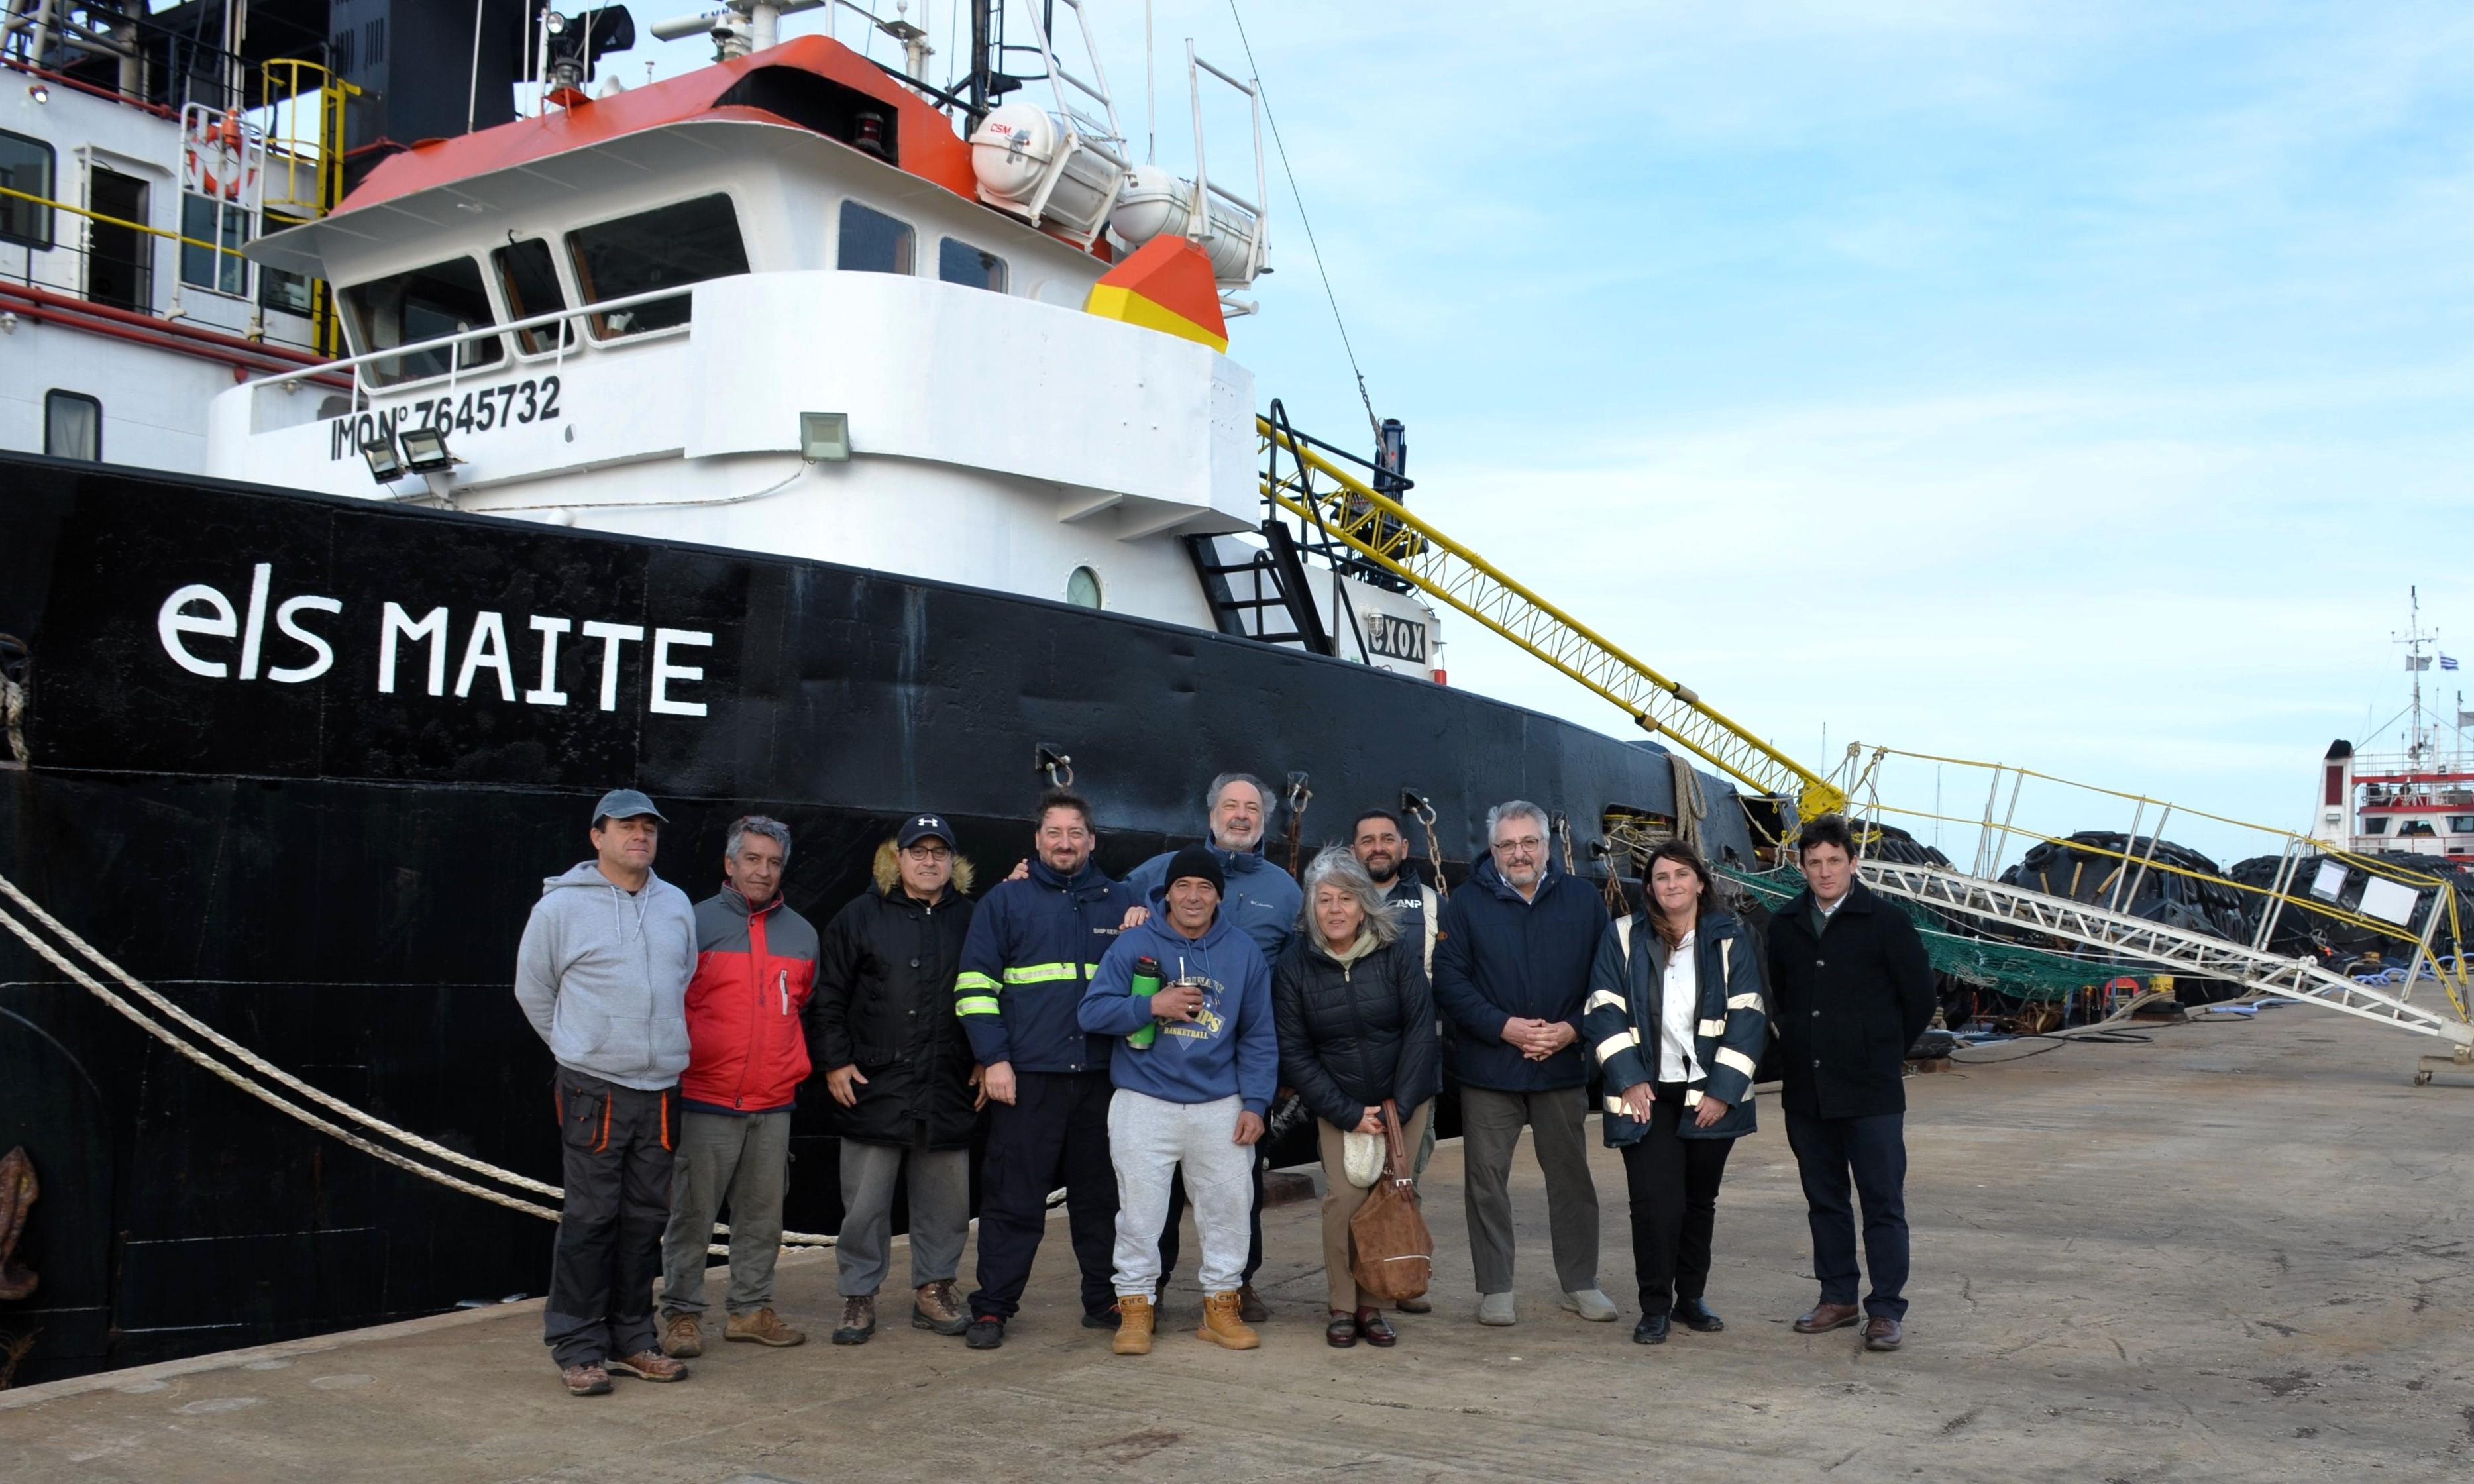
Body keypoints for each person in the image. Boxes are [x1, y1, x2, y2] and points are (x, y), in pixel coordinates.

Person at [513, 788, 698, 1396]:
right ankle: (578, 1345)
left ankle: (633, 1339)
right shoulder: (560, 910)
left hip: (661, 1088)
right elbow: (534, 991)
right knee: (591, 1219)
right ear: (598, 836)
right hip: (597, 1087)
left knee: (646, 1220)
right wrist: (580, 1048)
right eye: (626, 827)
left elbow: (684, 977)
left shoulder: (674, 905)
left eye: (649, 827)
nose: (640, 836)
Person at [1077, 847, 1279, 1355]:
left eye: (1205, 887)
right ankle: (1136, 1309)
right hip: (1145, 1100)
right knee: (1140, 1215)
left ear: (1219, 896)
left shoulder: (1243, 952)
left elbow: (1259, 1035)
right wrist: (1152, 1005)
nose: (1193, 896)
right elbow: (1092, 1011)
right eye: (1184, 886)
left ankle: (1220, 1307)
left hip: (1220, 1104)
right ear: (1167, 891)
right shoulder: (1135, 945)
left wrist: (1256, 1103)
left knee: (1229, 1209)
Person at [953, 788, 1136, 1348]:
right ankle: (993, 1307)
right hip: (1027, 1079)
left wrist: (1144, 922)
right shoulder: (1004, 904)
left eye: (1075, 833)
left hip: (1103, 1079)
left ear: (1091, 841)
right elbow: (975, 988)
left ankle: (1103, 1297)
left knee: (1102, 1197)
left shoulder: (1122, 903)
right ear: (1037, 840)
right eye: (1054, 833)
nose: (1064, 843)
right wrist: (994, 1059)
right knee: (1013, 1198)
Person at [1430, 800, 1616, 1328]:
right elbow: (1450, 982)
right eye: (1508, 845)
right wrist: (1505, 1028)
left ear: (1548, 846)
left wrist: (1571, 1029)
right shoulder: (1465, 905)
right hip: (1491, 1069)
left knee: (1572, 1179)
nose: (1519, 853)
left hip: (1561, 1066)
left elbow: (1606, 980)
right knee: (1485, 1181)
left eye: (1529, 842)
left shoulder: (1584, 901)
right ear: (1493, 851)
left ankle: (1580, 1282)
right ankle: (1495, 1287)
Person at [1124, 772, 1301, 1322]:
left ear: (1263, 821)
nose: (1241, 816)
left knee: (1237, 1187)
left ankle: (1238, 1284)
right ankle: (1151, 1292)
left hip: (1239, 1064)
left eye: (1251, 808)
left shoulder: (1285, 890)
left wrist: (1271, 1080)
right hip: (1162, 1063)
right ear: (1211, 815)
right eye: (1231, 806)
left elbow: (1298, 968)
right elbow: (1101, 902)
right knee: (1157, 1192)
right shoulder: (1158, 873)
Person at [1583, 840, 1770, 1346]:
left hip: (1710, 1095)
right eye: (1661, 877)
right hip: (1646, 1094)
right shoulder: (1621, 935)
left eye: (1681, 875)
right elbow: (1603, 1007)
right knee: (1655, 1205)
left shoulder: (1733, 937)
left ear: (1700, 883)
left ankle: (1691, 1298)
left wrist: (1724, 1092)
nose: (1671, 885)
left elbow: (1750, 1014)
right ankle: (1655, 1306)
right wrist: (1629, 1077)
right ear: (1650, 887)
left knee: (1698, 1202)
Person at [1766, 813, 1936, 1353]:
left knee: (1882, 1200)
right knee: (1825, 1200)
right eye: (1814, 863)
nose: (1824, 871)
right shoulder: (1785, 925)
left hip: (1871, 1092)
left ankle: (1885, 1308)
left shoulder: (1886, 922)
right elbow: (1783, 997)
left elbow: (1920, 1000)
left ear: (1853, 863)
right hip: (1807, 1091)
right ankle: (1837, 1296)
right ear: (1801, 866)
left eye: (1834, 861)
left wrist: (1881, 1054)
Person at [809, 813, 979, 1346]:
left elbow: (995, 995)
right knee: (864, 1205)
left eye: (938, 852)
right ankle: (858, 1296)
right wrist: (835, 1062)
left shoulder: (974, 919)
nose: (929, 861)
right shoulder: (858, 917)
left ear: (952, 862)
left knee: (946, 1204)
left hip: (948, 1082)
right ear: (897, 859)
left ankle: (935, 1289)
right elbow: (828, 996)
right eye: (918, 852)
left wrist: (985, 1055)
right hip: (874, 1085)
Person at [656, 816, 818, 1361]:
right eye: (752, 859)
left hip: (773, 1103)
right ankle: (680, 1315)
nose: (762, 871)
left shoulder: (803, 934)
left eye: (773, 862)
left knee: (763, 1218)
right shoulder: (692, 923)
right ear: (730, 864)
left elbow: (801, 1004)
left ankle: (750, 1310)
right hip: (706, 1098)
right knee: (692, 1217)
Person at [1273, 847, 1440, 1349]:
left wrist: (1400, 1108)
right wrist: (1348, 1112)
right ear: (1312, 908)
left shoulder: (1395, 954)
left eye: (1346, 897)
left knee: (1388, 1197)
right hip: (1339, 1103)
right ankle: (1343, 1305)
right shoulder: (1295, 966)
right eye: (1324, 900)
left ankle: (1376, 1306)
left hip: (1403, 1100)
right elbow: (1295, 1051)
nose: (1335, 909)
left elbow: (1420, 1031)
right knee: (1345, 1201)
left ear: (1364, 903)